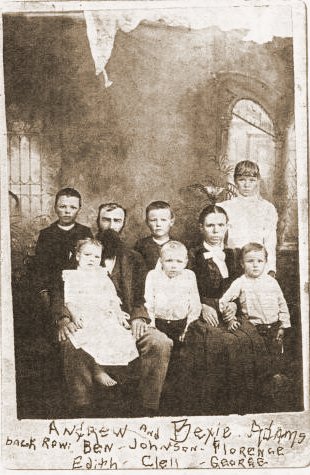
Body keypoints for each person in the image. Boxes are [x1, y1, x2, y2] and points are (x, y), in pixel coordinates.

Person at [59, 202, 172, 416]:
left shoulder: (134, 258)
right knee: (72, 342)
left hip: (125, 320)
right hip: (86, 317)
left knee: (160, 342)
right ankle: (83, 409)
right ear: (98, 222)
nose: (111, 225)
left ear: (123, 225)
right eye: (106, 220)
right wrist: (65, 318)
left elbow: (143, 295)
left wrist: (138, 317)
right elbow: (60, 291)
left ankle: (148, 408)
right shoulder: (82, 253)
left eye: (117, 221)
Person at [180, 205, 269, 415]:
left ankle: (248, 402)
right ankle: (218, 404)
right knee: (221, 340)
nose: (216, 231)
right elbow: (184, 286)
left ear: (227, 227)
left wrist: (234, 304)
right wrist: (201, 305)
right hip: (201, 309)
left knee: (247, 336)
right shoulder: (192, 254)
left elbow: (241, 284)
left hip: (229, 309)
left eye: (220, 225)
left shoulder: (234, 254)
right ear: (200, 227)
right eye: (210, 225)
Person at [61, 238, 139, 387]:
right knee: (90, 336)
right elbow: (69, 300)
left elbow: (112, 297)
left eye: (96, 257)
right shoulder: (72, 276)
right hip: (86, 314)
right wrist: (76, 315)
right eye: (87, 255)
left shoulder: (102, 275)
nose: (92, 259)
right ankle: (97, 370)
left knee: (118, 334)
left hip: (104, 314)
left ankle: (115, 371)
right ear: (78, 256)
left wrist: (118, 312)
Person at [219, 242, 290, 375]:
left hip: (274, 328)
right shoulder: (240, 282)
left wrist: (283, 326)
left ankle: (274, 387)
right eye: (250, 261)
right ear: (242, 264)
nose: (255, 264)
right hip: (254, 330)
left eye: (259, 261)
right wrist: (230, 319)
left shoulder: (272, 282)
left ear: (265, 262)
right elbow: (223, 301)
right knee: (257, 364)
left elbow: (282, 304)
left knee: (275, 362)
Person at [34, 187, 92, 323]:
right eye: (62, 206)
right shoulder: (46, 234)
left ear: (79, 209)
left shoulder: (85, 232)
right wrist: (44, 291)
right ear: (55, 208)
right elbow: (40, 267)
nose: (67, 211)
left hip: (79, 288)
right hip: (53, 289)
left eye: (72, 207)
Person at [219, 160, 278, 276]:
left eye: (251, 180)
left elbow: (270, 241)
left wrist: (271, 269)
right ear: (235, 181)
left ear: (257, 181)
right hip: (232, 263)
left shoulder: (267, 208)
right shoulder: (224, 207)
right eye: (242, 180)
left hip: (257, 264)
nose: (247, 185)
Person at [144, 241, 201, 343]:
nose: (174, 266)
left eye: (179, 261)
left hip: (182, 325)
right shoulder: (153, 276)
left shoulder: (189, 276)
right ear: (161, 261)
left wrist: (188, 329)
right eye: (169, 260)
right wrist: (152, 326)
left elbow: (195, 305)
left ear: (186, 262)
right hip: (159, 324)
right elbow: (149, 304)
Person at [134, 201, 176, 270]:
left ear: (171, 222)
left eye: (163, 220)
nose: (158, 224)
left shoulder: (178, 244)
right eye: (153, 220)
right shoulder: (140, 245)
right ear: (147, 222)